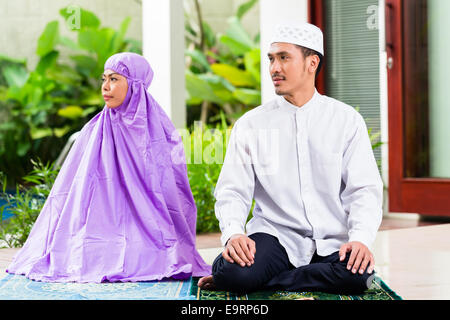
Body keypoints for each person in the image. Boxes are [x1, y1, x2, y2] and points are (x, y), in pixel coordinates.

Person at [198, 22, 382, 295]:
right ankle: (271, 274)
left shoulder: (345, 121)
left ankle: (275, 279)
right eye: (271, 59)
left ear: (312, 63)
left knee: (362, 277)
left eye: (284, 58)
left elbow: (364, 190)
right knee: (233, 272)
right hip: (275, 237)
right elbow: (232, 190)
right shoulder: (252, 125)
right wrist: (234, 234)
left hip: (332, 240)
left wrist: (360, 239)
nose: (274, 68)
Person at [6, 52, 211, 282]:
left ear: (134, 84)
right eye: (104, 79)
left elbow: (172, 190)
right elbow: (77, 193)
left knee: (149, 254)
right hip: (100, 228)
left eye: (114, 79)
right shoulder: (94, 131)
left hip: (149, 229)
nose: (105, 87)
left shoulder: (160, 131)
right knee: (91, 254)